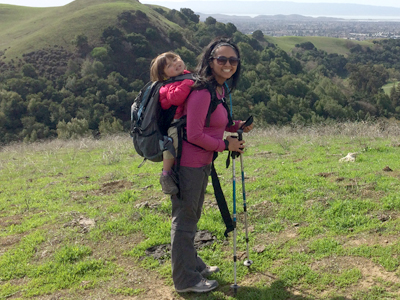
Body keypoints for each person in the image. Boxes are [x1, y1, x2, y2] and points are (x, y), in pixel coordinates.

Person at [170, 37, 254, 293]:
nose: (228, 64)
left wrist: (236, 126)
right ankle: (186, 281)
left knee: (192, 217)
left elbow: (212, 123)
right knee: (184, 220)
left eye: (233, 60)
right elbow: (194, 134)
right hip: (189, 164)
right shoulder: (201, 91)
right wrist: (225, 146)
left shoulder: (218, 89)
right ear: (210, 60)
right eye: (222, 59)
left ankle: (192, 265)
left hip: (201, 163)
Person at [150, 52, 194, 195]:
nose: (175, 63)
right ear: (164, 75)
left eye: (175, 59)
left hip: (186, 120)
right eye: (169, 65)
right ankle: (166, 174)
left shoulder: (186, 76)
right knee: (172, 142)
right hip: (174, 123)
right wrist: (188, 83)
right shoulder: (166, 86)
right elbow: (176, 98)